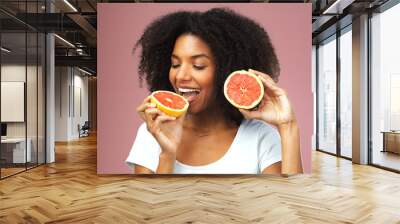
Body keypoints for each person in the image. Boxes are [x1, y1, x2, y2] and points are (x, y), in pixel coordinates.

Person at [125, 8, 303, 175]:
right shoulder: (152, 132)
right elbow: (150, 205)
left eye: (198, 65)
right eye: (175, 64)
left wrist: (288, 126)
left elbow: (287, 204)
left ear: (226, 70)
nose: (180, 76)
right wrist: (167, 154)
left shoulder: (260, 136)